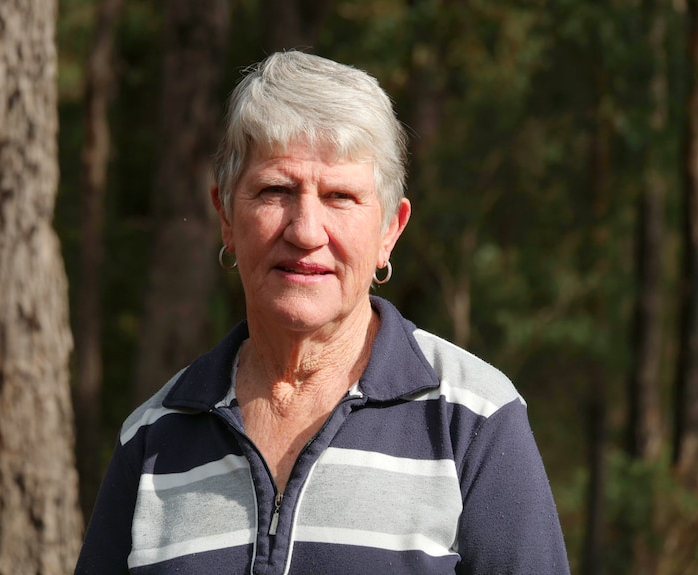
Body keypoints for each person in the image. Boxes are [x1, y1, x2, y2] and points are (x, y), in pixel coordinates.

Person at [75, 50, 570, 575]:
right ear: (225, 215)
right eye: (275, 191)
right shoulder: (154, 435)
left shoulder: (472, 419)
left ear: (389, 231)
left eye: (340, 196)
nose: (306, 231)